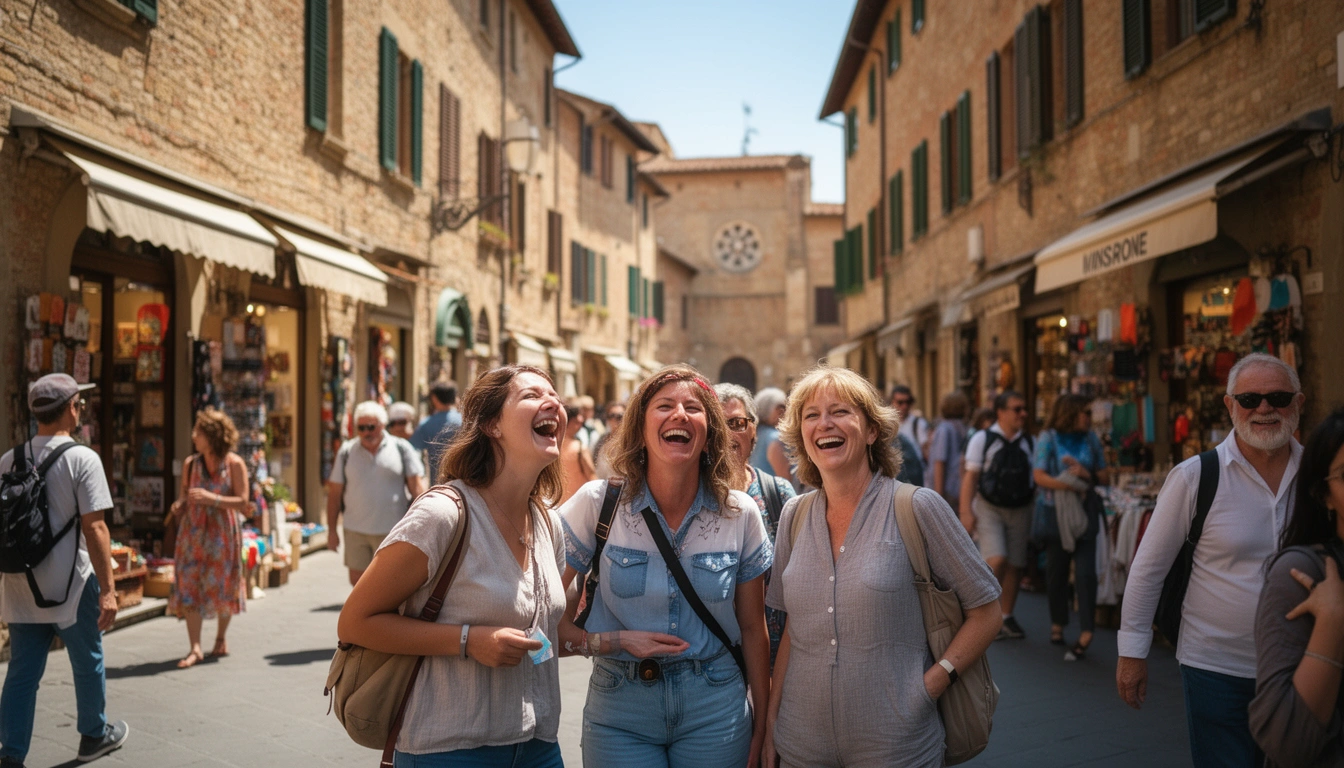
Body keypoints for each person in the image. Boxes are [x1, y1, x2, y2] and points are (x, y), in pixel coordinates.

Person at [762, 366, 1002, 768]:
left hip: (897, 745)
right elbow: (791, 629)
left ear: (872, 430)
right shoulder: (793, 516)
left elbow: (987, 612)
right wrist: (771, 722)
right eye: (811, 415)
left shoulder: (917, 507)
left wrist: (932, 684)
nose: (825, 424)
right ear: (800, 433)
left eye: (840, 411)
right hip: (799, 744)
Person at [338, 366, 568, 767]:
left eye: (556, 396)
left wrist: (614, 642)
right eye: (532, 395)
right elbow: (355, 622)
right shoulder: (443, 514)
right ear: (491, 424)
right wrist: (468, 640)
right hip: (448, 748)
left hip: (540, 744)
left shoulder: (549, 521)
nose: (553, 403)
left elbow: (551, 628)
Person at [558, 365, 772, 768]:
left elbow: (752, 628)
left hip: (716, 706)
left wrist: (763, 724)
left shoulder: (740, 514)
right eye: (665, 405)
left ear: (709, 435)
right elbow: (543, 610)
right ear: (640, 429)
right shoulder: (597, 504)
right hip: (620, 708)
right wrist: (615, 642)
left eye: (693, 407)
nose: (679, 414)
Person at [1117, 353, 1304, 768]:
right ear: (1229, 405)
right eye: (1250, 398)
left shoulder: (1318, 476)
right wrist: (1132, 653)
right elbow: (1148, 570)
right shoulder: (1194, 476)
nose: (1264, 408)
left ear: (1299, 403)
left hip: (1303, 665)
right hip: (1217, 668)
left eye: (1277, 397)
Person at [0, 374, 129, 766]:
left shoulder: (9, 459)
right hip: (71, 584)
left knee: (22, 673)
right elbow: (96, 528)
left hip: (22, 584)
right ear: (72, 408)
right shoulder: (82, 459)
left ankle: (11, 754)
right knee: (87, 659)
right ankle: (94, 734)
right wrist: (108, 589)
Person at [1250, 406, 1344, 767]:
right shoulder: (1302, 574)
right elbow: (1286, 743)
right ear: (1323, 495)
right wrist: (1332, 622)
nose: (1263, 407)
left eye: (1277, 397)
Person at [716, 382, 797, 665]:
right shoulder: (688, 498)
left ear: (753, 431)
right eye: (717, 423)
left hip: (775, 659)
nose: (727, 433)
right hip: (711, 666)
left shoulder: (779, 495)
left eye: (737, 423)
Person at [167, 408, 249, 669]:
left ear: (211, 436)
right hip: (193, 534)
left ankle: (221, 638)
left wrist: (211, 498)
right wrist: (178, 505)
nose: (193, 436)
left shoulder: (234, 464)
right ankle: (195, 648)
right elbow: (185, 495)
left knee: (224, 584)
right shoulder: (191, 463)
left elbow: (243, 502)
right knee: (190, 585)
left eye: (198, 432)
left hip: (222, 535)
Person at [1032, 394, 1108, 659]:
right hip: (1055, 512)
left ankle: (1087, 630)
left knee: (1086, 573)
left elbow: (1105, 474)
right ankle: (1058, 623)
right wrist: (1070, 484)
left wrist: (1086, 476)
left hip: (1085, 512)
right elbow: (1039, 475)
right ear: (1071, 413)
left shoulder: (1091, 439)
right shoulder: (1048, 438)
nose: (1089, 417)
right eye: (1085, 412)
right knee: (1057, 571)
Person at [960, 390, 1036, 640]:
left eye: (1024, 409)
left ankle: (1006, 617)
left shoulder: (1028, 442)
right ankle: (982, 614)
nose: (1023, 414)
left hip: (1021, 508)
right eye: (1017, 409)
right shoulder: (983, 439)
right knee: (997, 559)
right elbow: (970, 477)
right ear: (1001, 412)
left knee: (1015, 564)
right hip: (989, 507)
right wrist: (966, 512)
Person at [326, 401, 428, 586]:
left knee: (391, 582)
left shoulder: (401, 448)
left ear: (382, 426)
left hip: (393, 530)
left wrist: (422, 526)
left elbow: (417, 489)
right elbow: (334, 494)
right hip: (355, 530)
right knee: (357, 582)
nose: (366, 432)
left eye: (371, 427)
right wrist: (332, 531)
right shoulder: (346, 452)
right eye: (361, 428)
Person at [410, 382, 462, 476]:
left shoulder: (427, 423)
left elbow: (412, 449)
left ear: (434, 398)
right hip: (466, 483)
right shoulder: (466, 421)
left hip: (439, 484)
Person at [929, 391, 970, 508]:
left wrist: (938, 497)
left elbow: (939, 463)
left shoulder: (944, 429)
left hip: (947, 490)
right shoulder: (964, 428)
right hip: (958, 488)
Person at [751, 387, 792, 481]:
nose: (783, 413)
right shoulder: (774, 437)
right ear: (766, 410)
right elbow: (785, 478)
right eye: (779, 409)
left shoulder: (755, 433)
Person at [559, 402, 596, 505]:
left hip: (559, 504)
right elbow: (592, 476)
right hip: (577, 504)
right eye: (576, 422)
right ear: (566, 422)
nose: (579, 426)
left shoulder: (551, 446)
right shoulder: (579, 448)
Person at [892, 384, 931, 464]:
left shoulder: (919, 424)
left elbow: (926, 451)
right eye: (900, 402)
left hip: (914, 472)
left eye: (908, 402)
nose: (905, 406)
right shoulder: (887, 425)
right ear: (893, 402)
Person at [592, 402, 625, 480]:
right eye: (611, 416)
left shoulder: (633, 442)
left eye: (619, 416)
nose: (615, 419)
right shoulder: (601, 441)